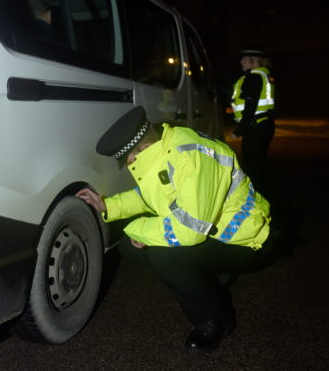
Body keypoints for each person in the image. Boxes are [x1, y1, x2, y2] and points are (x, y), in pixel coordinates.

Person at [76, 106, 276, 354]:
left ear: (143, 148)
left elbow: (189, 230)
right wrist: (109, 205)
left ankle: (214, 320)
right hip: (214, 230)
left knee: (164, 255)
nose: (127, 164)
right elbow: (149, 196)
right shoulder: (163, 147)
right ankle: (211, 275)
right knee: (132, 248)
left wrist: (140, 229)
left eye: (126, 158)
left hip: (247, 238)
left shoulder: (190, 157)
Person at [231, 45, 275, 197]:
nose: (241, 62)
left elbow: (250, 106)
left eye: (243, 59)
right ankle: (264, 198)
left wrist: (240, 130)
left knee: (253, 170)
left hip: (255, 128)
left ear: (252, 61)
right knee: (259, 167)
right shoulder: (264, 75)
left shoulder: (254, 78)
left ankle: (259, 202)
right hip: (263, 126)